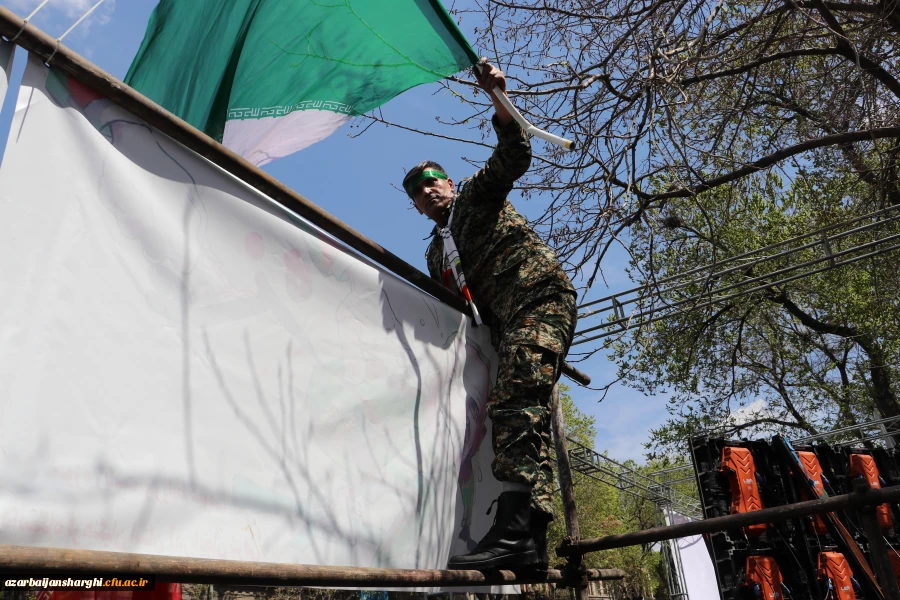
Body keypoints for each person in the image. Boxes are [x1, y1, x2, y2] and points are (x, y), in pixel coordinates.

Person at [401, 61, 577, 571]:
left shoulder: (476, 197)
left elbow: (515, 152)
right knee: (520, 411)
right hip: (505, 325)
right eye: (416, 190)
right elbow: (444, 311)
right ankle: (528, 541)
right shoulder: (437, 255)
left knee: (515, 405)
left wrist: (498, 95)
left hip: (538, 299)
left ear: (450, 183)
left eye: (432, 180)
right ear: (414, 207)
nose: (426, 190)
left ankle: (518, 532)